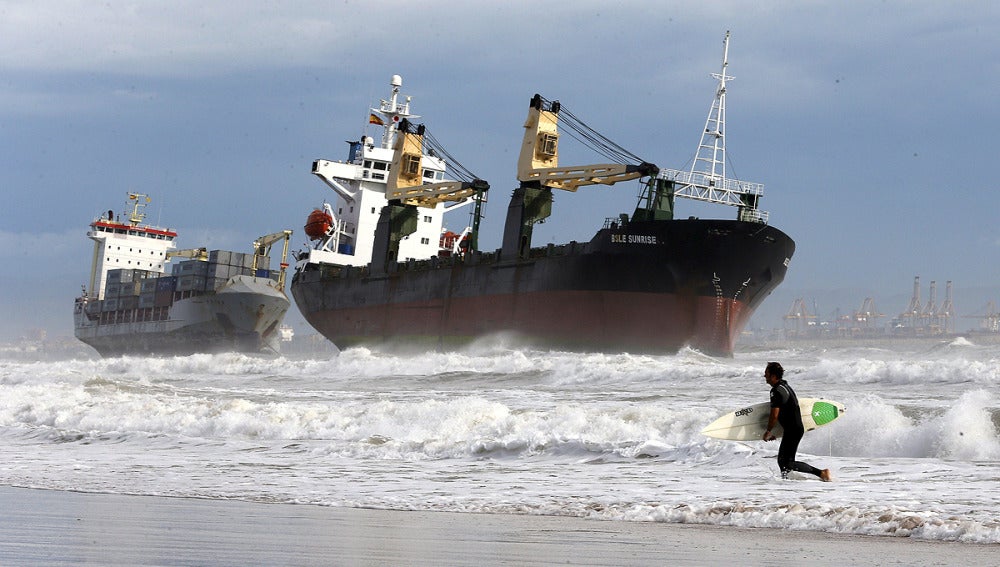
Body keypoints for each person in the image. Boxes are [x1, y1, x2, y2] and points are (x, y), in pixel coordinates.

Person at [761, 361, 832, 481]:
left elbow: (775, 414)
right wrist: (777, 432)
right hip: (794, 428)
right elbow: (787, 412)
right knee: (784, 462)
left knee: (787, 463)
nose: (765, 377)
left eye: (766, 374)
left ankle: (821, 473)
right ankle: (787, 484)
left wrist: (768, 431)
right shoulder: (785, 387)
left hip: (793, 430)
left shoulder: (776, 391)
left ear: (773, 376)